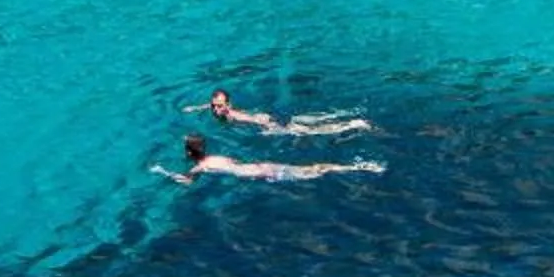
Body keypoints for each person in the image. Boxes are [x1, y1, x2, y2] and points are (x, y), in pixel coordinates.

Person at [155, 133, 384, 184]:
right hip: (263, 166)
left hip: (266, 173)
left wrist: (162, 172)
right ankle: (356, 166)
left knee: (315, 171)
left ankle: (361, 167)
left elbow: (186, 181)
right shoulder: (216, 157)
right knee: (313, 168)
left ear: (188, 154)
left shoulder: (200, 168)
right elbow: (234, 163)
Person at [185, 88, 374, 137]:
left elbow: (254, 120)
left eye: (221, 105)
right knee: (304, 120)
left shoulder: (233, 115)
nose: (217, 108)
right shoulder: (213, 107)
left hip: (268, 122)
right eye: (215, 105)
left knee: (310, 130)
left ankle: (354, 123)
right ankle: (344, 113)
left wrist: (270, 129)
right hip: (266, 117)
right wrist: (194, 108)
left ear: (229, 104)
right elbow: (206, 106)